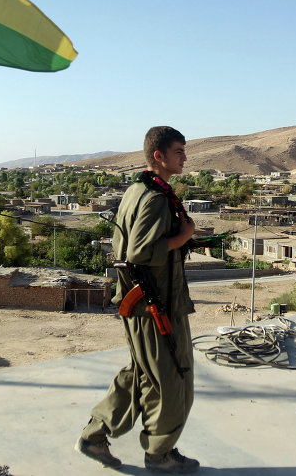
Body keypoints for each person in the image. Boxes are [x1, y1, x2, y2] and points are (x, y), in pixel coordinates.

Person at [76, 126, 200, 474]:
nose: (185, 157)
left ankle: (95, 436)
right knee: (172, 380)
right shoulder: (155, 198)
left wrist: (179, 239)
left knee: (144, 373)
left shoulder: (138, 189)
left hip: (146, 302)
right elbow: (142, 252)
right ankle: (159, 456)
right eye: (179, 151)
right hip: (156, 305)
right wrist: (185, 236)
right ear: (158, 156)